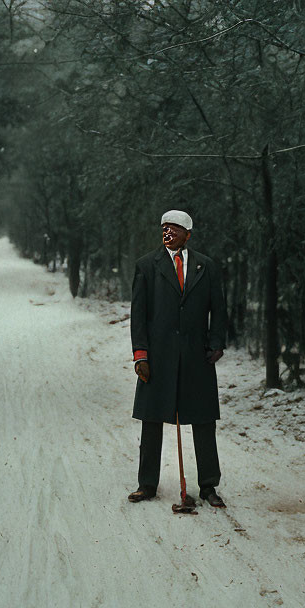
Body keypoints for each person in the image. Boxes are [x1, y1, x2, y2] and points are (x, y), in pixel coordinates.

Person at [128, 210, 227, 508]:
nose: (167, 233)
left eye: (173, 229)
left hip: (197, 359)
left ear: (187, 234)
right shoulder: (146, 266)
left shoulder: (206, 267)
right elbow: (138, 316)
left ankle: (208, 486)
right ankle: (147, 484)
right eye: (164, 228)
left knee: (203, 421)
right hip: (158, 359)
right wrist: (140, 355)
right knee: (152, 419)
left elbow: (218, 309)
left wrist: (217, 342)